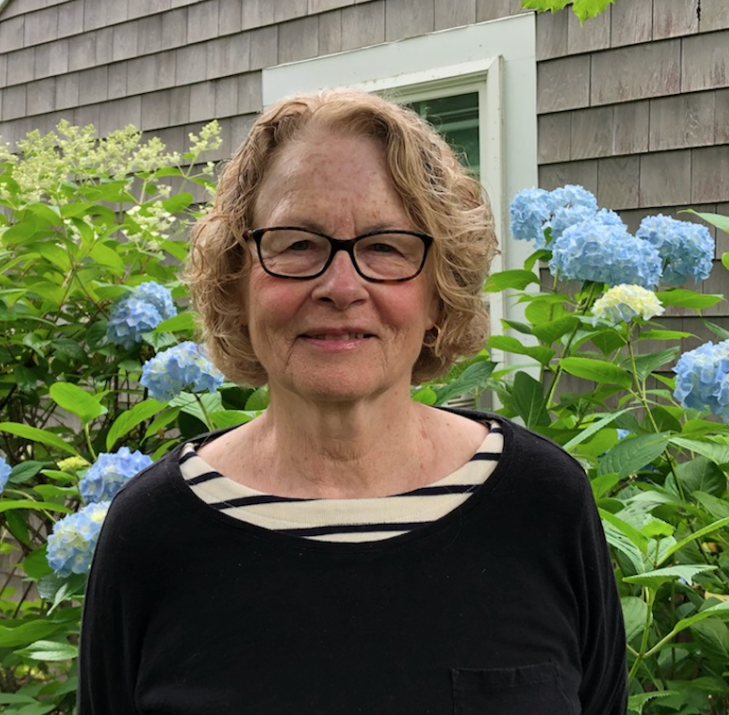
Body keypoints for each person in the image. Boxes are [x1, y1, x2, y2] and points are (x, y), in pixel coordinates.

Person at [78, 88, 627, 714]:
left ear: (440, 291)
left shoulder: (544, 503)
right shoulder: (151, 532)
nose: (341, 287)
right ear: (237, 279)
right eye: (297, 244)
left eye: (385, 246)